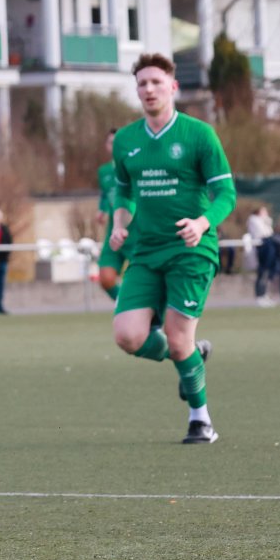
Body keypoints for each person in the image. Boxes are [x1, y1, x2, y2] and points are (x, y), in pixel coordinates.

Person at [109, 52, 235, 445]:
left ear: (173, 88)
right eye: (142, 83)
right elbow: (124, 192)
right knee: (127, 336)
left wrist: (202, 223)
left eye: (156, 82)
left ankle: (202, 420)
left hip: (191, 250)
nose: (148, 89)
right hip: (146, 250)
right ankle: (193, 355)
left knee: (176, 339)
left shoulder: (199, 135)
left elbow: (225, 193)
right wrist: (118, 222)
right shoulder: (127, 140)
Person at [94, 128, 129, 302]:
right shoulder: (104, 171)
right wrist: (102, 210)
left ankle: (145, 311)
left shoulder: (135, 165)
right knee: (105, 277)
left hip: (136, 229)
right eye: (111, 143)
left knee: (146, 279)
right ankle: (127, 304)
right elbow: (104, 194)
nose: (114, 146)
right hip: (113, 230)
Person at [247, 207, 277, 307]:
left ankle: (264, 294)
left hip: (267, 248)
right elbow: (263, 233)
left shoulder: (265, 221)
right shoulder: (253, 220)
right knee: (262, 272)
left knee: (266, 273)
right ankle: (259, 296)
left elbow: (270, 232)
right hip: (261, 248)